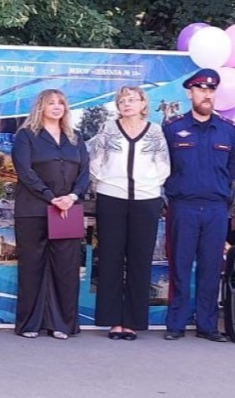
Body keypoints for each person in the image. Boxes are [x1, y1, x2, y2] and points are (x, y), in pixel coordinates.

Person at [162, 69, 235, 342]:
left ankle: (207, 325)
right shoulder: (172, 128)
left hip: (216, 208)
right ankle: (176, 324)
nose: (206, 95)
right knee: (180, 266)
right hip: (183, 206)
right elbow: (163, 166)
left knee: (211, 268)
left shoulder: (229, 130)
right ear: (190, 93)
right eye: (201, 89)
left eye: (211, 90)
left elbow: (234, 169)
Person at [89, 86, 169, 340]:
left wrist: (149, 185)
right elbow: (95, 162)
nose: (127, 104)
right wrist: (108, 182)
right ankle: (112, 320)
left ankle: (133, 321)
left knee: (140, 260)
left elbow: (163, 165)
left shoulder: (155, 131)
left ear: (143, 104)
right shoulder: (108, 128)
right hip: (111, 198)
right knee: (110, 258)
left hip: (146, 200)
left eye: (132, 99)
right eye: (122, 100)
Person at [11, 89, 89, 340]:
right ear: (40, 107)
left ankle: (62, 324)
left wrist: (72, 197)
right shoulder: (26, 136)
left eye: (61, 103)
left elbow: (85, 173)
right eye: (51, 103)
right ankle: (30, 324)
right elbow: (24, 171)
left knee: (65, 268)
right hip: (33, 210)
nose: (56, 107)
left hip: (67, 211)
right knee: (32, 267)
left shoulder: (75, 137)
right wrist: (50, 197)